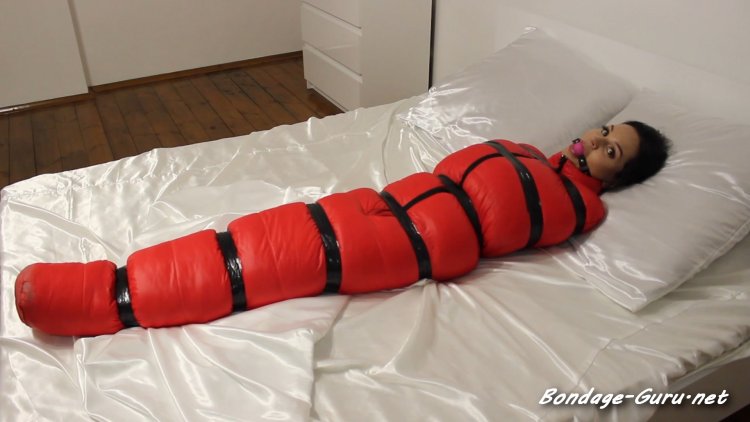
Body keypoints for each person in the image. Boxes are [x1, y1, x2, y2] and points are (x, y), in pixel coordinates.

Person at [15, 121, 670, 336]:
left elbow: (523, 219)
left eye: (610, 151)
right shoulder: (524, 151)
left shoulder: (582, 206)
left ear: (616, 178)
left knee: (262, 267)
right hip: (383, 203)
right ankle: (113, 279)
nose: (594, 143)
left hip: (412, 242)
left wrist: (569, 180)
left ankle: (105, 305)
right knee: (249, 236)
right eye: (603, 131)